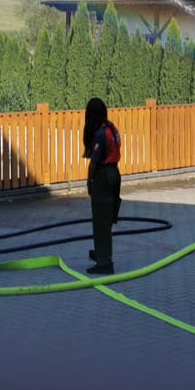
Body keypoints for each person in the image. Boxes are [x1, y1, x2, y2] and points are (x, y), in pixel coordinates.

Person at [82, 98, 123, 276]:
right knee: (106, 218)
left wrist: (89, 182)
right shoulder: (111, 128)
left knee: (101, 222)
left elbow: (94, 163)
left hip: (103, 176)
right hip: (114, 173)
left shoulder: (99, 134)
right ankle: (101, 253)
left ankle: (104, 262)